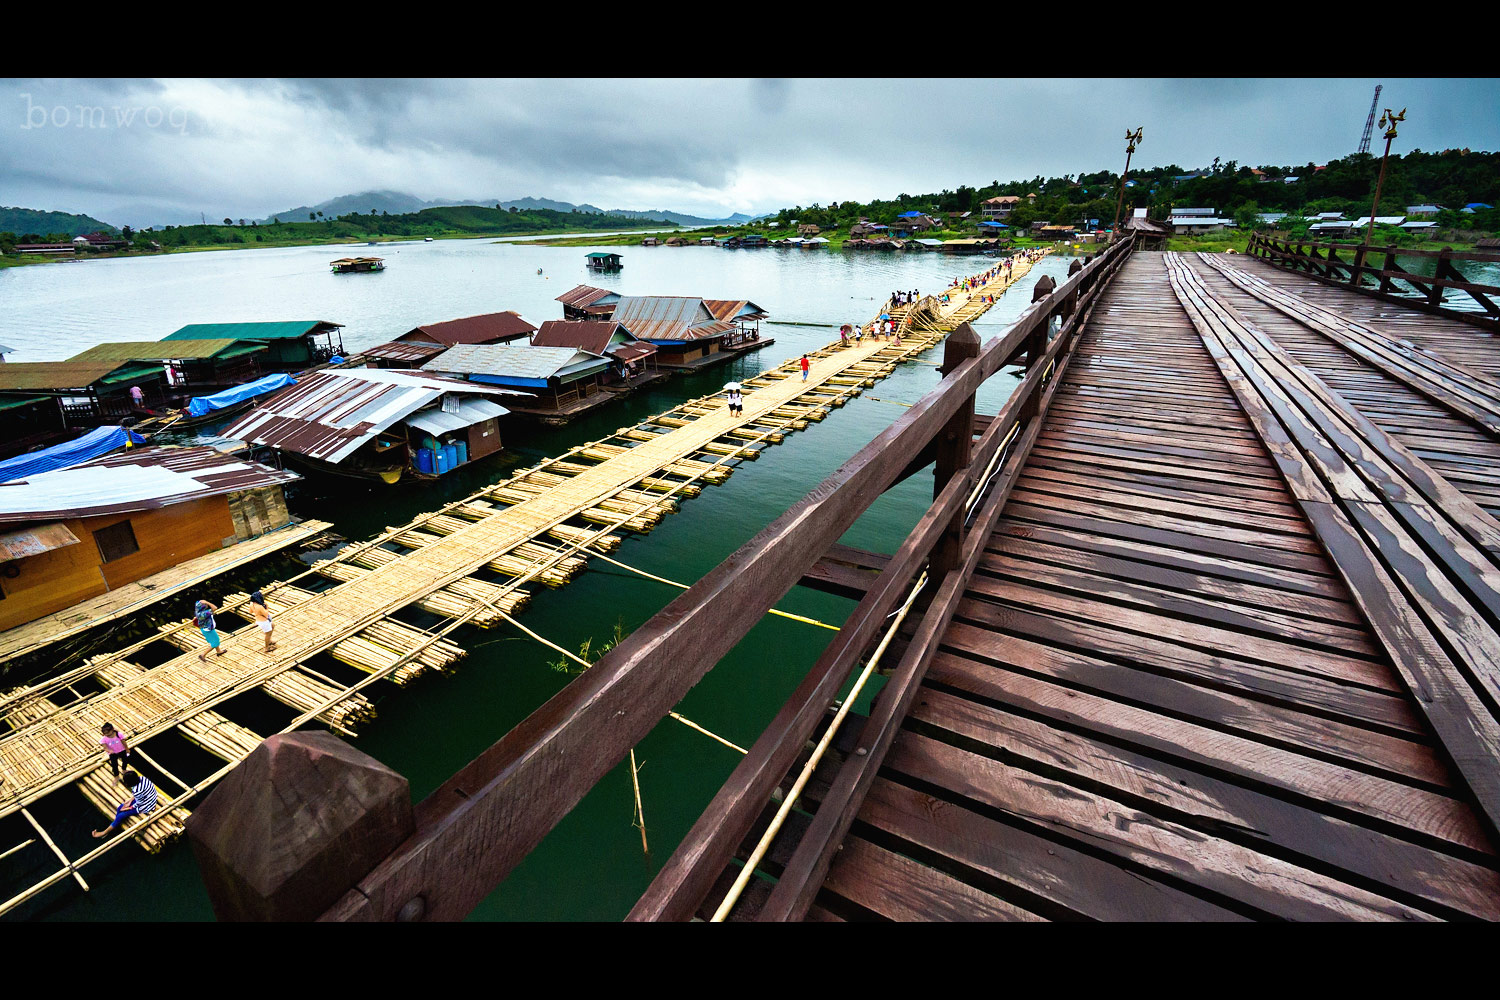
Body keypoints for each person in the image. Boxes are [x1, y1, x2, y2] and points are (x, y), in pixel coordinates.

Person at [92, 770, 158, 838]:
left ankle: (104, 833)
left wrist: (128, 808)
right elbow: (141, 793)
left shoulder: (137, 791)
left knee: (121, 815)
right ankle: (115, 824)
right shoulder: (142, 778)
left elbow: (139, 803)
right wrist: (130, 801)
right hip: (149, 797)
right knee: (119, 808)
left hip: (147, 805)